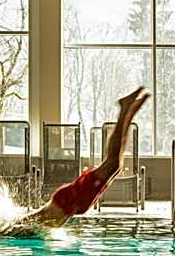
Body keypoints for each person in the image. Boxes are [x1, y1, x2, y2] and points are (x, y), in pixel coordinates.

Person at [26, 86, 150, 227]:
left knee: (112, 164)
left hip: (69, 200)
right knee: (115, 166)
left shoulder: (20, 228)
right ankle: (128, 113)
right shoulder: (29, 225)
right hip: (72, 202)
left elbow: (23, 222)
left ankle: (125, 110)